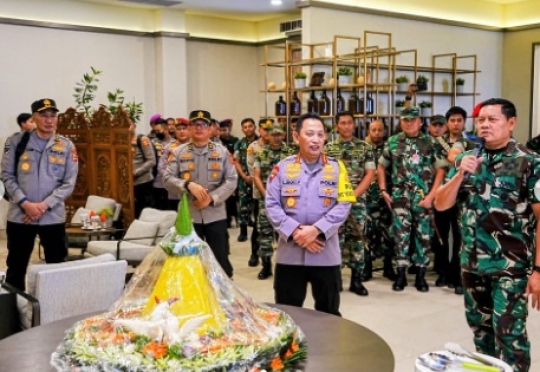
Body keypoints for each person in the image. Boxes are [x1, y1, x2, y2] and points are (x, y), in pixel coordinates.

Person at [434, 98, 540, 371]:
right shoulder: (470, 159)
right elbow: (441, 204)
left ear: (511, 123)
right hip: (472, 265)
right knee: (482, 334)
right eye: (481, 120)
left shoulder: (529, 162)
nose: (485, 125)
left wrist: (538, 270)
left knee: (509, 335)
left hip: (510, 268)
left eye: (492, 119)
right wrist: (459, 173)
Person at [265, 112, 353, 316]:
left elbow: (344, 203)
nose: (315, 139)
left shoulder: (336, 168)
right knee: (287, 313)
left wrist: (317, 230)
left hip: (325, 254)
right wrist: (297, 232)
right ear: (297, 137)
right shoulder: (282, 168)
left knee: (329, 312)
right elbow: (271, 204)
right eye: (310, 133)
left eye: (320, 135)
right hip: (290, 255)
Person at [0, 98, 78, 291]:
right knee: (16, 268)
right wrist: (26, 204)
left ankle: (54, 312)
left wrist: (43, 206)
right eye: (44, 116)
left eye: (53, 116)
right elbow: (6, 176)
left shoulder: (66, 146)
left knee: (57, 268)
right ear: (34, 118)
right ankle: (13, 317)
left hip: (52, 217)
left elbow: (69, 183)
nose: (49, 120)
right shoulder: (16, 141)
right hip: (20, 217)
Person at [377, 106, 446, 292]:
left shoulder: (429, 142)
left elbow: (441, 169)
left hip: (422, 196)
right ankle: (401, 274)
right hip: (400, 196)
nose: (409, 123)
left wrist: (432, 195)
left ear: (420, 122)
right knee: (400, 235)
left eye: (413, 120)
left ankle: (421, 275)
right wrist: (383, 190)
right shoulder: (393, 142)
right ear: (401, 121)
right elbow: (381, 166)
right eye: (405, 120)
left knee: (423, 235)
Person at [163, 110, 237, 278]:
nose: (199, 128)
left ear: (210, 128)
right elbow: (167, 179)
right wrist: (187, 185)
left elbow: (232, 180)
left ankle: (222, 298)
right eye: (195, 124)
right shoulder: (178, 152)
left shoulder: (222, 152)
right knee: (189, 261)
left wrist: (211, 198)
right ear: (189, 128)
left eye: (203, 124)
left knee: (220, 261)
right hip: (188, 216)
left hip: (215, 214)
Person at [324, 111, 375, 296]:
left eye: (349, 123)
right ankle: (335, 279)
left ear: (354, 125)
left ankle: (356, 280)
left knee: (357, 239)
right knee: (335, 240)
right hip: (333, 203)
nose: (346, 126)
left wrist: (352, 195)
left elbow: (370, 174)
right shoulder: (328, 149)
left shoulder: (365, 147)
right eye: (342, 123)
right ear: (337, 126)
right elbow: (322, 176)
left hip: (357, 201)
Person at [253, 123, 293, 280]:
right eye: (273, 134)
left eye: (279, 134)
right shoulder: (261, 154)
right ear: (267, 136)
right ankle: (266, 266)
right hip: (267, 201)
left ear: (283, 135)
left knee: (287, 234)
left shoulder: (291, 153)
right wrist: (267, 195)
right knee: (264, 233)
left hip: (288, 202)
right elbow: (256, 175)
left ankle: (288, 266)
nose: (276, 137)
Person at [365, 120, 397, 281]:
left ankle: (388, 266)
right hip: (368, 198)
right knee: (367, 232)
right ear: (368, 131)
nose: (377, 133)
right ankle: (367, 267)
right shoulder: (363, 148)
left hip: (386, 197)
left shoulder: (389, 148)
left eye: (380, 130)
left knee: (388, 233)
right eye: (373, 130)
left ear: (384, 132)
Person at [245, 118, 273, 267]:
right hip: (259, 193)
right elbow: (252, 171)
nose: (267, 132)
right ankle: (254, 253)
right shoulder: (253, 147)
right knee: (259, 227)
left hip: (278, 195)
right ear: (259, 130)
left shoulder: (281, 146)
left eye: (270, 129)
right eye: (264, 129)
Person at [233, 118, 259, 242]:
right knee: (243, 205)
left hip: (258, 179)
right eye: (245, 127)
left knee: (258, 205)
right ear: (243, 129)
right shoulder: (239, 143)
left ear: (255, 127)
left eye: (250, 126)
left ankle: (258, 229)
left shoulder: (261, 142)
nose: (248, 129)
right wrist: (244, 176)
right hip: (244, 178)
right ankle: (243, 231)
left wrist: (255, 177)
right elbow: (236, 161)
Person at [163, 117, 191, 211]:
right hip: (174, 191)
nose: (181, 131)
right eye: (178, 129)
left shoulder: (196, 146)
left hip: (192, 190)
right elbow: (162, 167)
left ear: (189, 130)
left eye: (184, 128)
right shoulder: (169, 147)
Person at [130, 118, 156, 218]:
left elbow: (151, 161)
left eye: (129, 125)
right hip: (128, 184)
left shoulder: (141, 139)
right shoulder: (121, 140)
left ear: (134, 126)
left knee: (145, 211)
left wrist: (136, 173)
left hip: (142, 182)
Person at [151, 118, 174, 210]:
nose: (157, 133)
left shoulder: (174, 143)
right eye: (155, 131)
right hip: (156, 182)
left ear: (166, 129)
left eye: (158, 130)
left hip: (169, 182)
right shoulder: (153, 142)